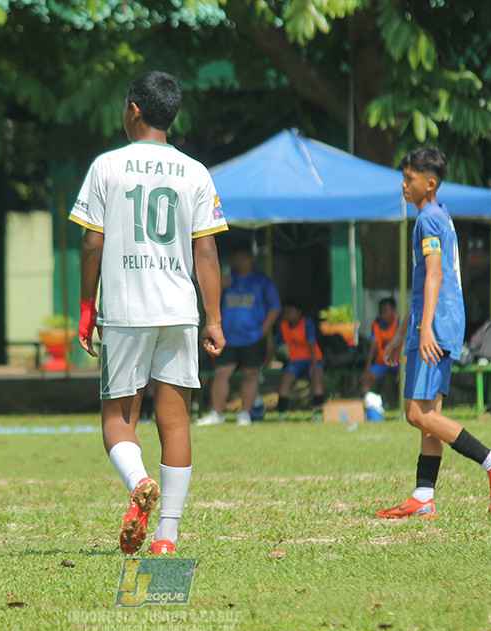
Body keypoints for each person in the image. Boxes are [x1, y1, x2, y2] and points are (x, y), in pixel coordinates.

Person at [70, 71, 227, 555]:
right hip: (180, 312)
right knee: (176, 424)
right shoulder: (196, 171)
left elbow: (92, 242)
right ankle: (167, 537)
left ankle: (138, 483)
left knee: (118, 420)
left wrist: (85, 305)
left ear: (134, 109)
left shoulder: (107, 167)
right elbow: (206, 255)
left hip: (125, 311)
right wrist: (214, 318)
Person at [378, 147, 491, 518]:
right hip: (440, 320)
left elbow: (436, 274)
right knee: (430, 413)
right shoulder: (439, 217)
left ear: (430, 182)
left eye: (409, 179)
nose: (404, 185)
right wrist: (401, 333)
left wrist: (425, 330)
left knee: (415, 413)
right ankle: (424, 496)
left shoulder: (427, 220)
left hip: (436, 323)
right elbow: (426, 281)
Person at [196, 244, 280, 426]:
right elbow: (210, 300)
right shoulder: (227, 279)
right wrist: (220, 287)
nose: (240, 260)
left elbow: (275, 307)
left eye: (244, 256)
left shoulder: (262, 281)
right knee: (220, 374)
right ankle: (216, 413)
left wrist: (262, 330)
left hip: (252, 337)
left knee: (250, 375)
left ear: (252, 258)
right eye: (237, 256)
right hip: (228, 337)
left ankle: (245, 414)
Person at [262, 298, 325, 421]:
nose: (287, 314)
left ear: (298, 312)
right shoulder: (283, 326)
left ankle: (318, 414)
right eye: (285, 311)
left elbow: (312, 344)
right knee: (285, 380)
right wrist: (264, 366)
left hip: (313, 359)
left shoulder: (307, 323)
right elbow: (274, 347)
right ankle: (282, 414)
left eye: (290, 310)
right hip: (296, 361)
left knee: (315, 378)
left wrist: (314, 365)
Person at [360, 297, 400, 395]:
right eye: (381, 311)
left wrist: (403, 367)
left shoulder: (399, 323)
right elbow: (372, 346)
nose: (383, 314)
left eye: (386, 311)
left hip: (398, 361)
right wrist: (367, 368)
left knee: (406, 377)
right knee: (368, 377)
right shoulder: (376, 324)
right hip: (381, 362)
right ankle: (365, 401)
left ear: (394, 311)